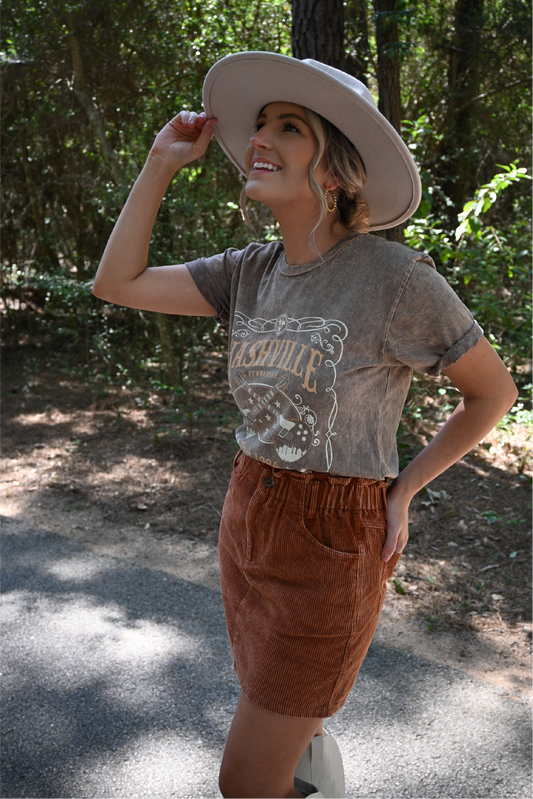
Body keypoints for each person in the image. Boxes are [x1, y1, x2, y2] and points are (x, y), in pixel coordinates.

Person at [93, 52, 518, 799]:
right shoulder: (248, 271)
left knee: (245, 781)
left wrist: (403, 489)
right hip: (247, 509)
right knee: (288, 725)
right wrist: (161, 162)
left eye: (288, 127)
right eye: (259, 123)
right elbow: (115, 282)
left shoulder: (394, 278)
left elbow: (491, 394)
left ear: (334, 171)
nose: (260, 136)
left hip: (332, 538)